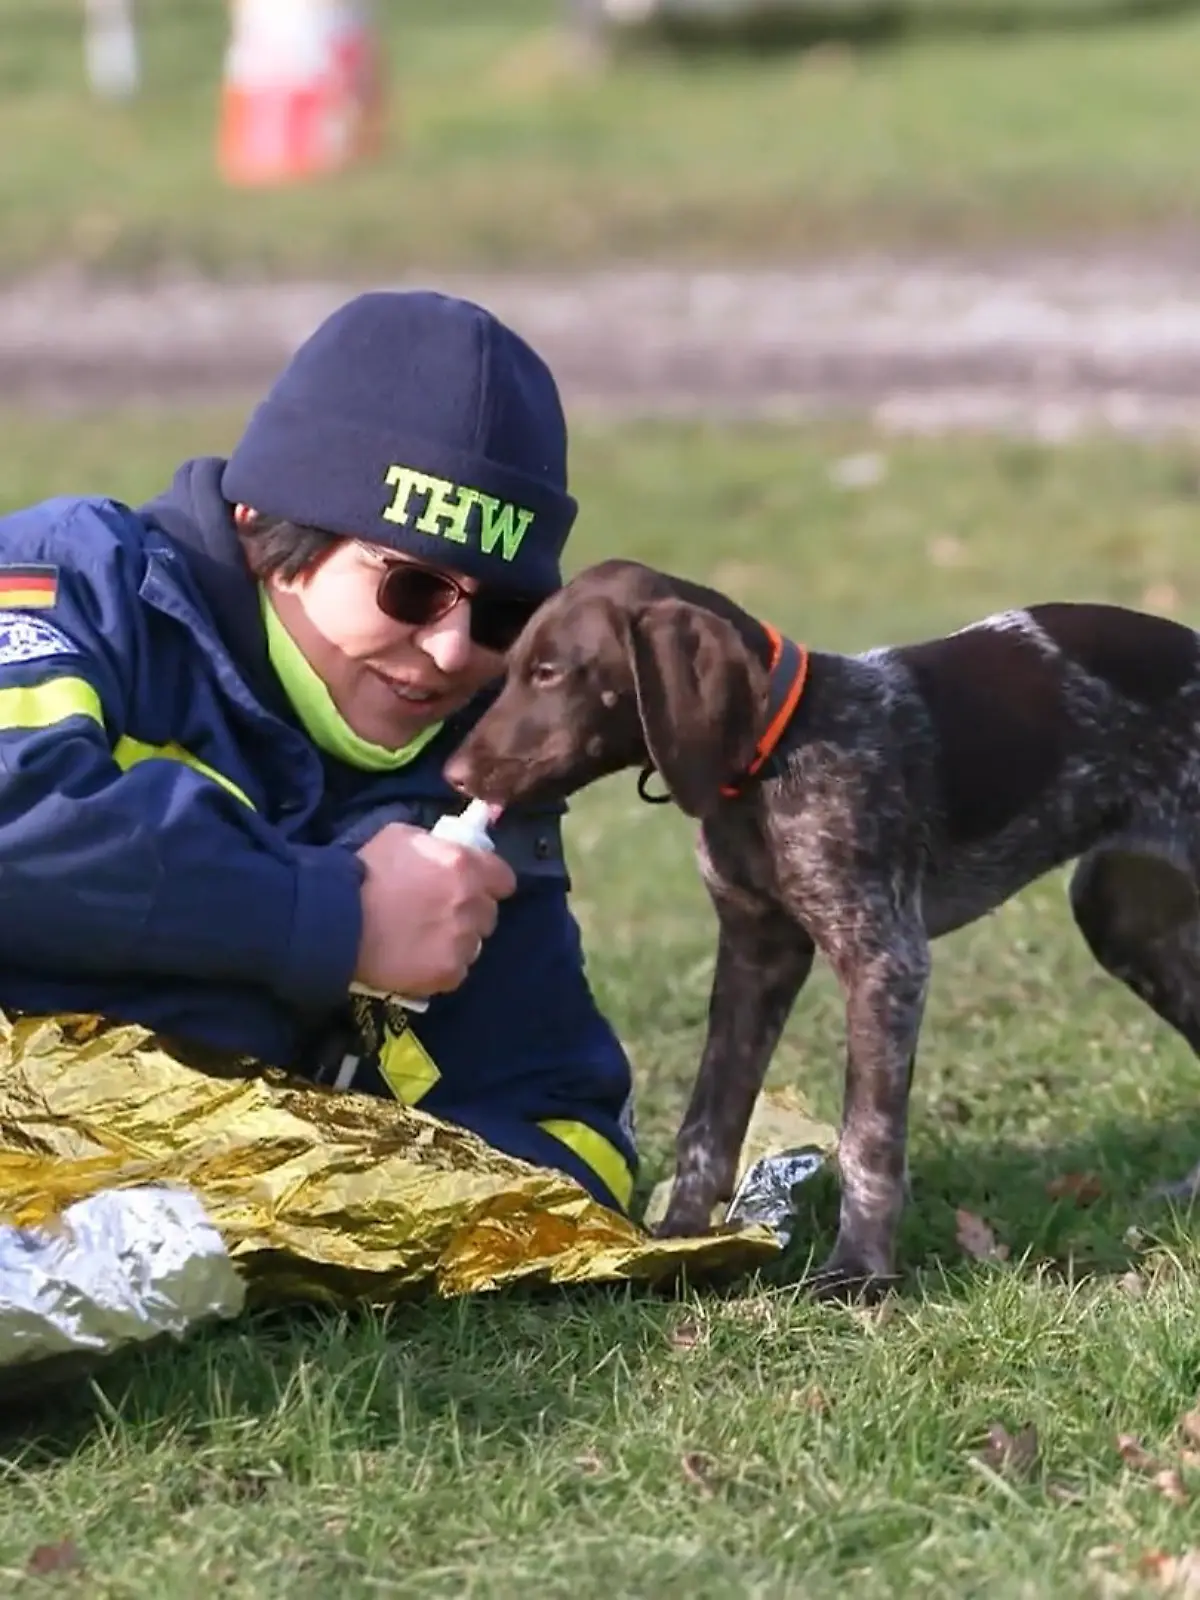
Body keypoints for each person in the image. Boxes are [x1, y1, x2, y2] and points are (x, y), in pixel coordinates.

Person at [0, 290, 637, 1214]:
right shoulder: (76, 586)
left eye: (502, 613)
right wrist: (336, 917)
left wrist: (308, 1192)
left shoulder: (482, 759)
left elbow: (570, 1131)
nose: (453, 652)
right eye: (411, 588)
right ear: (268, 522)